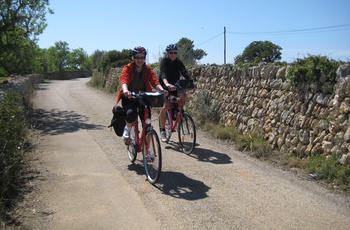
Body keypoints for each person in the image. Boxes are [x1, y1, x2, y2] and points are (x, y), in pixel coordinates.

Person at [115, 46, 168, 141]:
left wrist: (161, 90)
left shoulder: (147, 69)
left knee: (147, 125)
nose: (140, 60)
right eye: (137, 57)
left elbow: (155, 82)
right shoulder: (128, 68)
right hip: (129, 97)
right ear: (133, 58)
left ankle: (148, 151)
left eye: (142, 57)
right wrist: (126, 91)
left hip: (143, 98)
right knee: (131, 114)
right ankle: (127, 128)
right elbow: (124, 80)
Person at [158, 44, 191, 142]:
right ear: (167, 53)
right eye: (171, 53)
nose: (173, 54)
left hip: (175, 86)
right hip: (164, 86)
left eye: (175, 53)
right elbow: (163, 73)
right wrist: (167, 83)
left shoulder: (178, 62)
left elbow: (184, 72)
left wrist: (191, 81)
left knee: (184, 96)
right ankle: (163, 129)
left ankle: (177, 112)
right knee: (165, 106)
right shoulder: (164, 61)